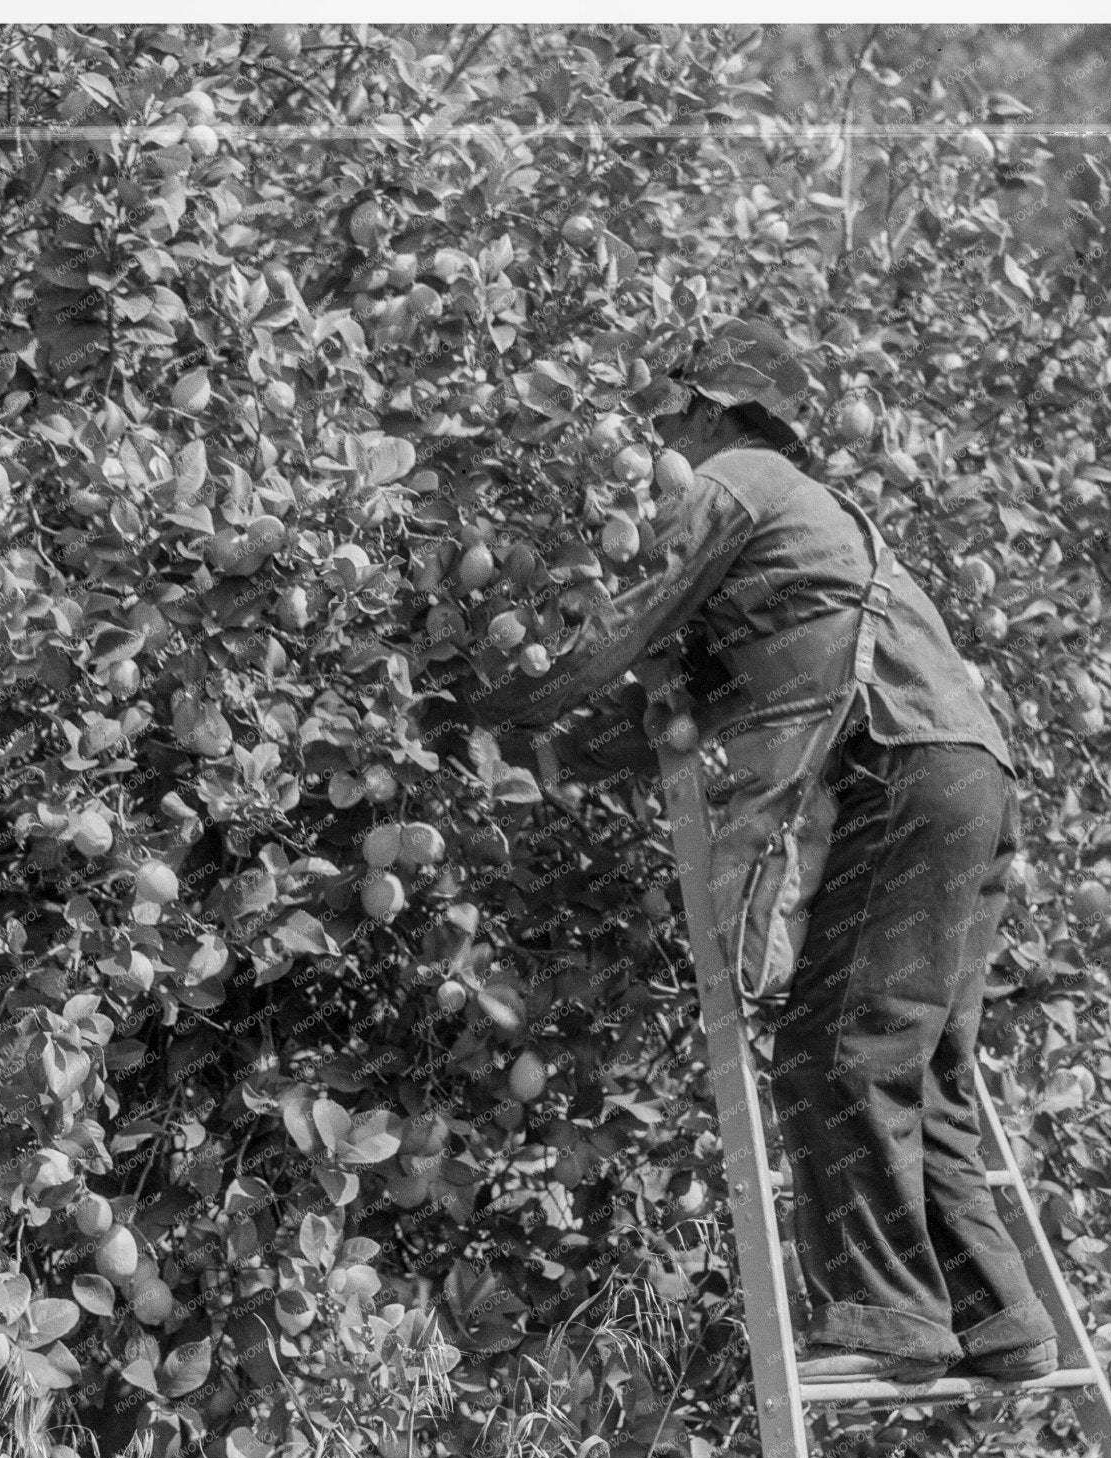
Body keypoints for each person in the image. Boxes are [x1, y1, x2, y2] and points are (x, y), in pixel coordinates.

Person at [446, 318, 1059, 1386]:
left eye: (662, 413)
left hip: (899, 768)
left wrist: (479, 711)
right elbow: (676, 714)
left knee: (840, 1047)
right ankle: (996, 1315)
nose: (648, 438)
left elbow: (613, 631)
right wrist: (539, 759)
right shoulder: (799, 529)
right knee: (922, 1063)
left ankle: (887, 1313)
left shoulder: (729, 482)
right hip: (969, 778)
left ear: (708, 409)